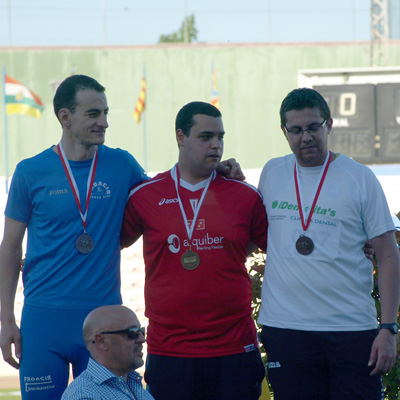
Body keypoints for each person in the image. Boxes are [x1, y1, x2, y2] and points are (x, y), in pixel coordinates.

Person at [0, 74, 147, 399]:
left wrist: (218, 172)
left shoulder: (122, 165)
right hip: (43, 320)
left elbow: (164, 199)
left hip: (104, 322)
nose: (104, 122)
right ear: (65, 117)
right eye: (93, 114)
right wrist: (6, 320)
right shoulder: (30, 171)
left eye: (106, 113)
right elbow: (10, 248)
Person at [257, 87, 400, 400]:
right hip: (286, 330)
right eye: (295, 130)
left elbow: (389, 255)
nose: (305, 137)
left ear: (330, 125)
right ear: (284, 131)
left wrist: (388, 328)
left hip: (350, 331)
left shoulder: (359, 177)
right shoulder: (271, 173)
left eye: (313, 127)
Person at [121, 101, 268, 400]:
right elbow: (110, 244)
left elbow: (280, 251)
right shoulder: (144, 195)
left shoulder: (245, 195)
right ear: (180, 137)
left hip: (234, 347)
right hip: (171, 350)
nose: (216, 145)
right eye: (205, 137)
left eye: (220, 137)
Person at [61, 305, 154, 400]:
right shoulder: (85, 396)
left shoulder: (132, 383)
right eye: (133, 333)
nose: (142, 339)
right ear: (101, 341)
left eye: (141, 331)